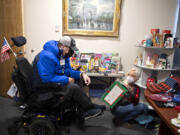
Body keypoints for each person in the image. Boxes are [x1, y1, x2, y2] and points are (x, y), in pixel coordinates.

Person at [32, 36, 105, 120]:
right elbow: (46, 78)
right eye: (70, 49)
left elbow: (68, 71)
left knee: (78, 80)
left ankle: (88, 106)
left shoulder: (62, 55)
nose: (72, 51)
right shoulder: (47, 56)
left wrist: (81, 74)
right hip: (44, 87)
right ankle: (85, 110)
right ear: (63, 46)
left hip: (53, 82)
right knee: (72, 87)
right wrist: (66, 79)